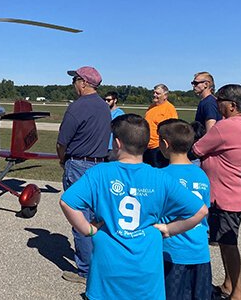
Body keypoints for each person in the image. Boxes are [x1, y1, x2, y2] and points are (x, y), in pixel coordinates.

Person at [59, 114, 208, 299]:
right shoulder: (160, 177)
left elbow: (67, 201)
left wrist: (87, 229)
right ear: (146, 144)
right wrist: (169, 229)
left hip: (107, 266)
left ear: (117, 143)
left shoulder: (99, 173)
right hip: (146, 269)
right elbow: (200, 210)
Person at [192, 84, 241, 300]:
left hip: (222, 195)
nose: (217, 105)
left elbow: (197, 148)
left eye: (221, 101)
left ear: (232, 106)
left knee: (229, 244)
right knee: (227, 243)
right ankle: (229, 284)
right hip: (233, 191)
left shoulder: (225, 127)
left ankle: (238, 292)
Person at [56, 66, 112, 284]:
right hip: (100, 166)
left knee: (80, 217)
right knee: (99, 217)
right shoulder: (103, 106)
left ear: (83, 83)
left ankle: (86, 271)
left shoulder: (76, 108)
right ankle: (101, 262)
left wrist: (63, 160)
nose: (73, 85)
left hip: (79, 165)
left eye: (75, 80)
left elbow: (62, 143)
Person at [158, 119, 212, 300]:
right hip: (200, 251)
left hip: (173, 252)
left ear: (165, 144)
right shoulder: (201, 174)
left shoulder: (162, 176)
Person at [144, 84, 178, 168]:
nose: (154, 95)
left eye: (157, 93)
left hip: (158, 149)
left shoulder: (169, 109)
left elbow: (172, 130)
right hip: (146, 147)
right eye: (154, 92)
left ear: (165, 95)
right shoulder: (151, 107)